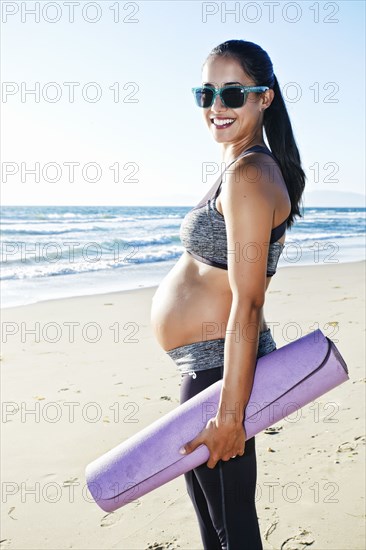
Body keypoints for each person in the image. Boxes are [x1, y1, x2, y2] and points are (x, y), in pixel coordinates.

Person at [150, 39, 306, 550]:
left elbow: (250, 300)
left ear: (264, 98)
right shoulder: (239, 166)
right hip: (207, 368)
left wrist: (230, 416)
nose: (217, 105)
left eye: (233, 92)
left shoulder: (250, 173)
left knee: (230, 530)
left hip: (222, 376)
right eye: (207, 92)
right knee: (218, 527)